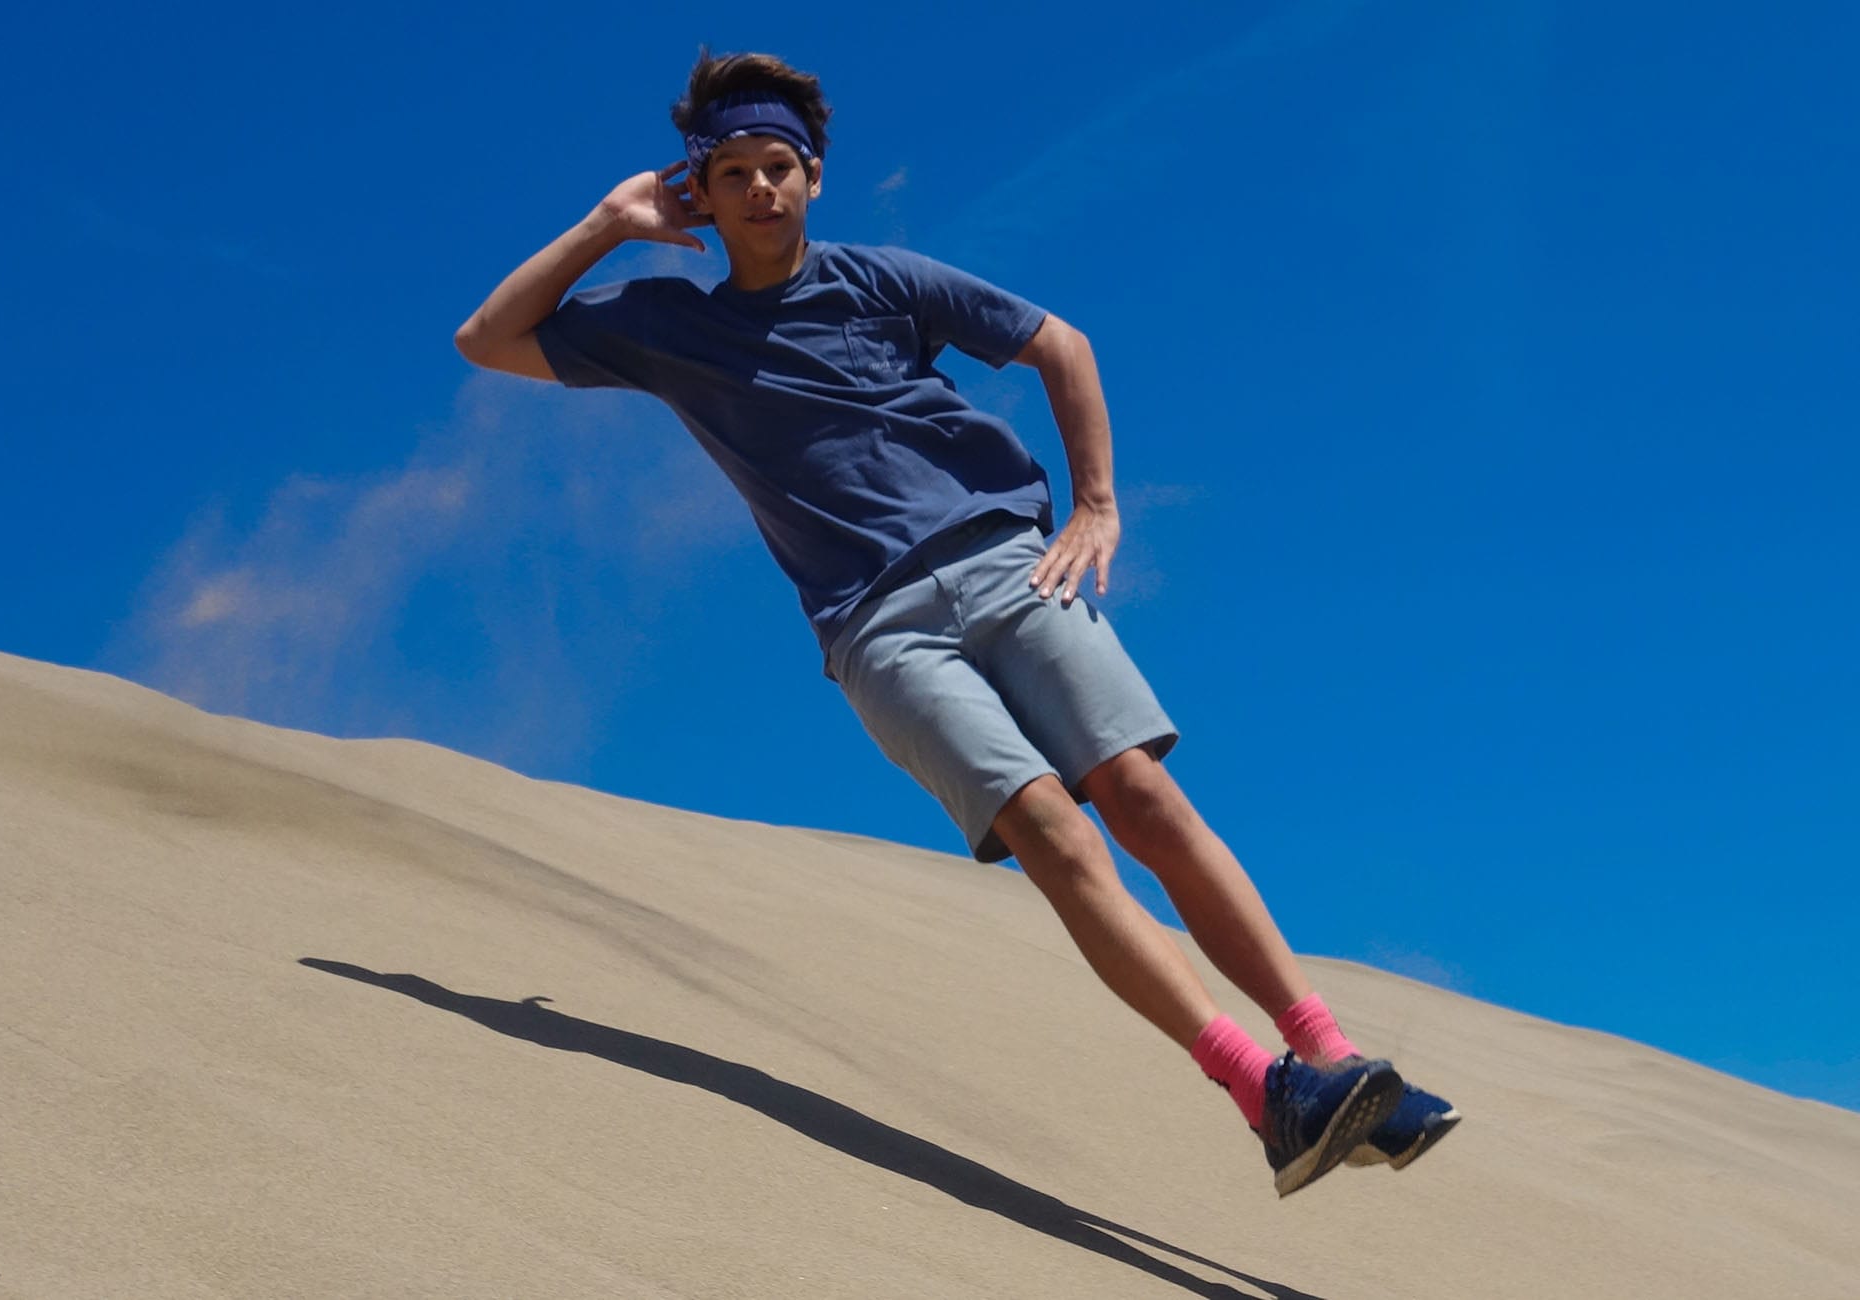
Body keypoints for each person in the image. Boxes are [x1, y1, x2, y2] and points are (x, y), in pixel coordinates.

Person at [454, 47, 1459, 1198]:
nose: (759, 189)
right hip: (876, 628)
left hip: (1003, 565)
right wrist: (607, 224)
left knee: (1139, 793)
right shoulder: (667, 327)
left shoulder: (880, 280)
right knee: (1051, 832)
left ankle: (1330, 1058)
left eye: (778, 165)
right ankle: (1258, 1090)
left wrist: (1094, 504)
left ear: (812, 175)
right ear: (702, 192)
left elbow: (1059, 345)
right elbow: (487, 339)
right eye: (732, 173)